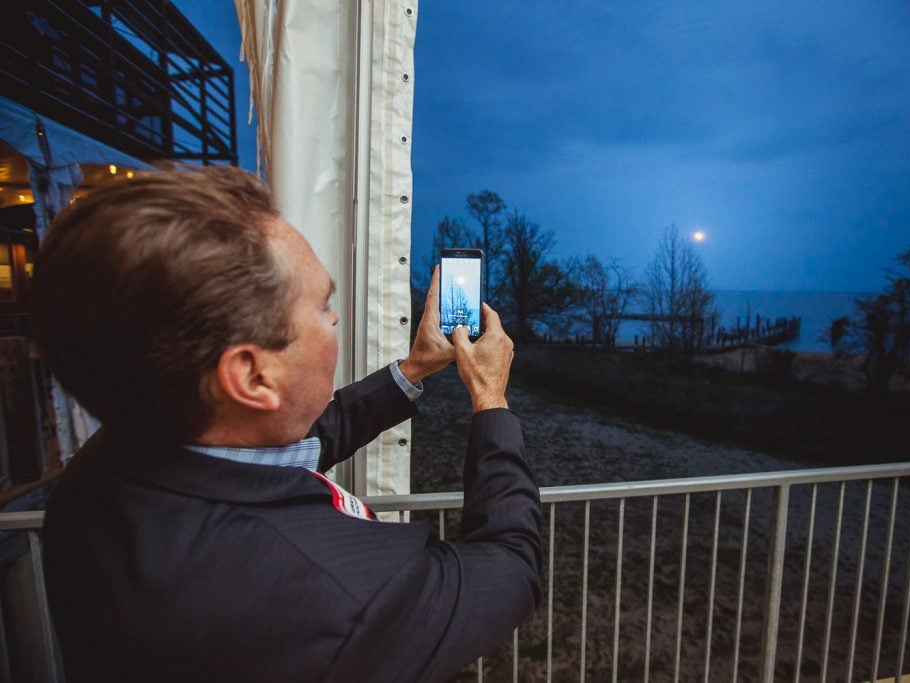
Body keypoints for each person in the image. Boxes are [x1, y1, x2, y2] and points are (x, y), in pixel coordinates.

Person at [34, 166, 542, 682]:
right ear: (253, 376)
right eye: (322, 306)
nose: (334, 319)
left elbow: (290, 440)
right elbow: (510, 564)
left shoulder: (96, 476)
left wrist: (414, 369)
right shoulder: (347, 593)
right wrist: (489, 397)